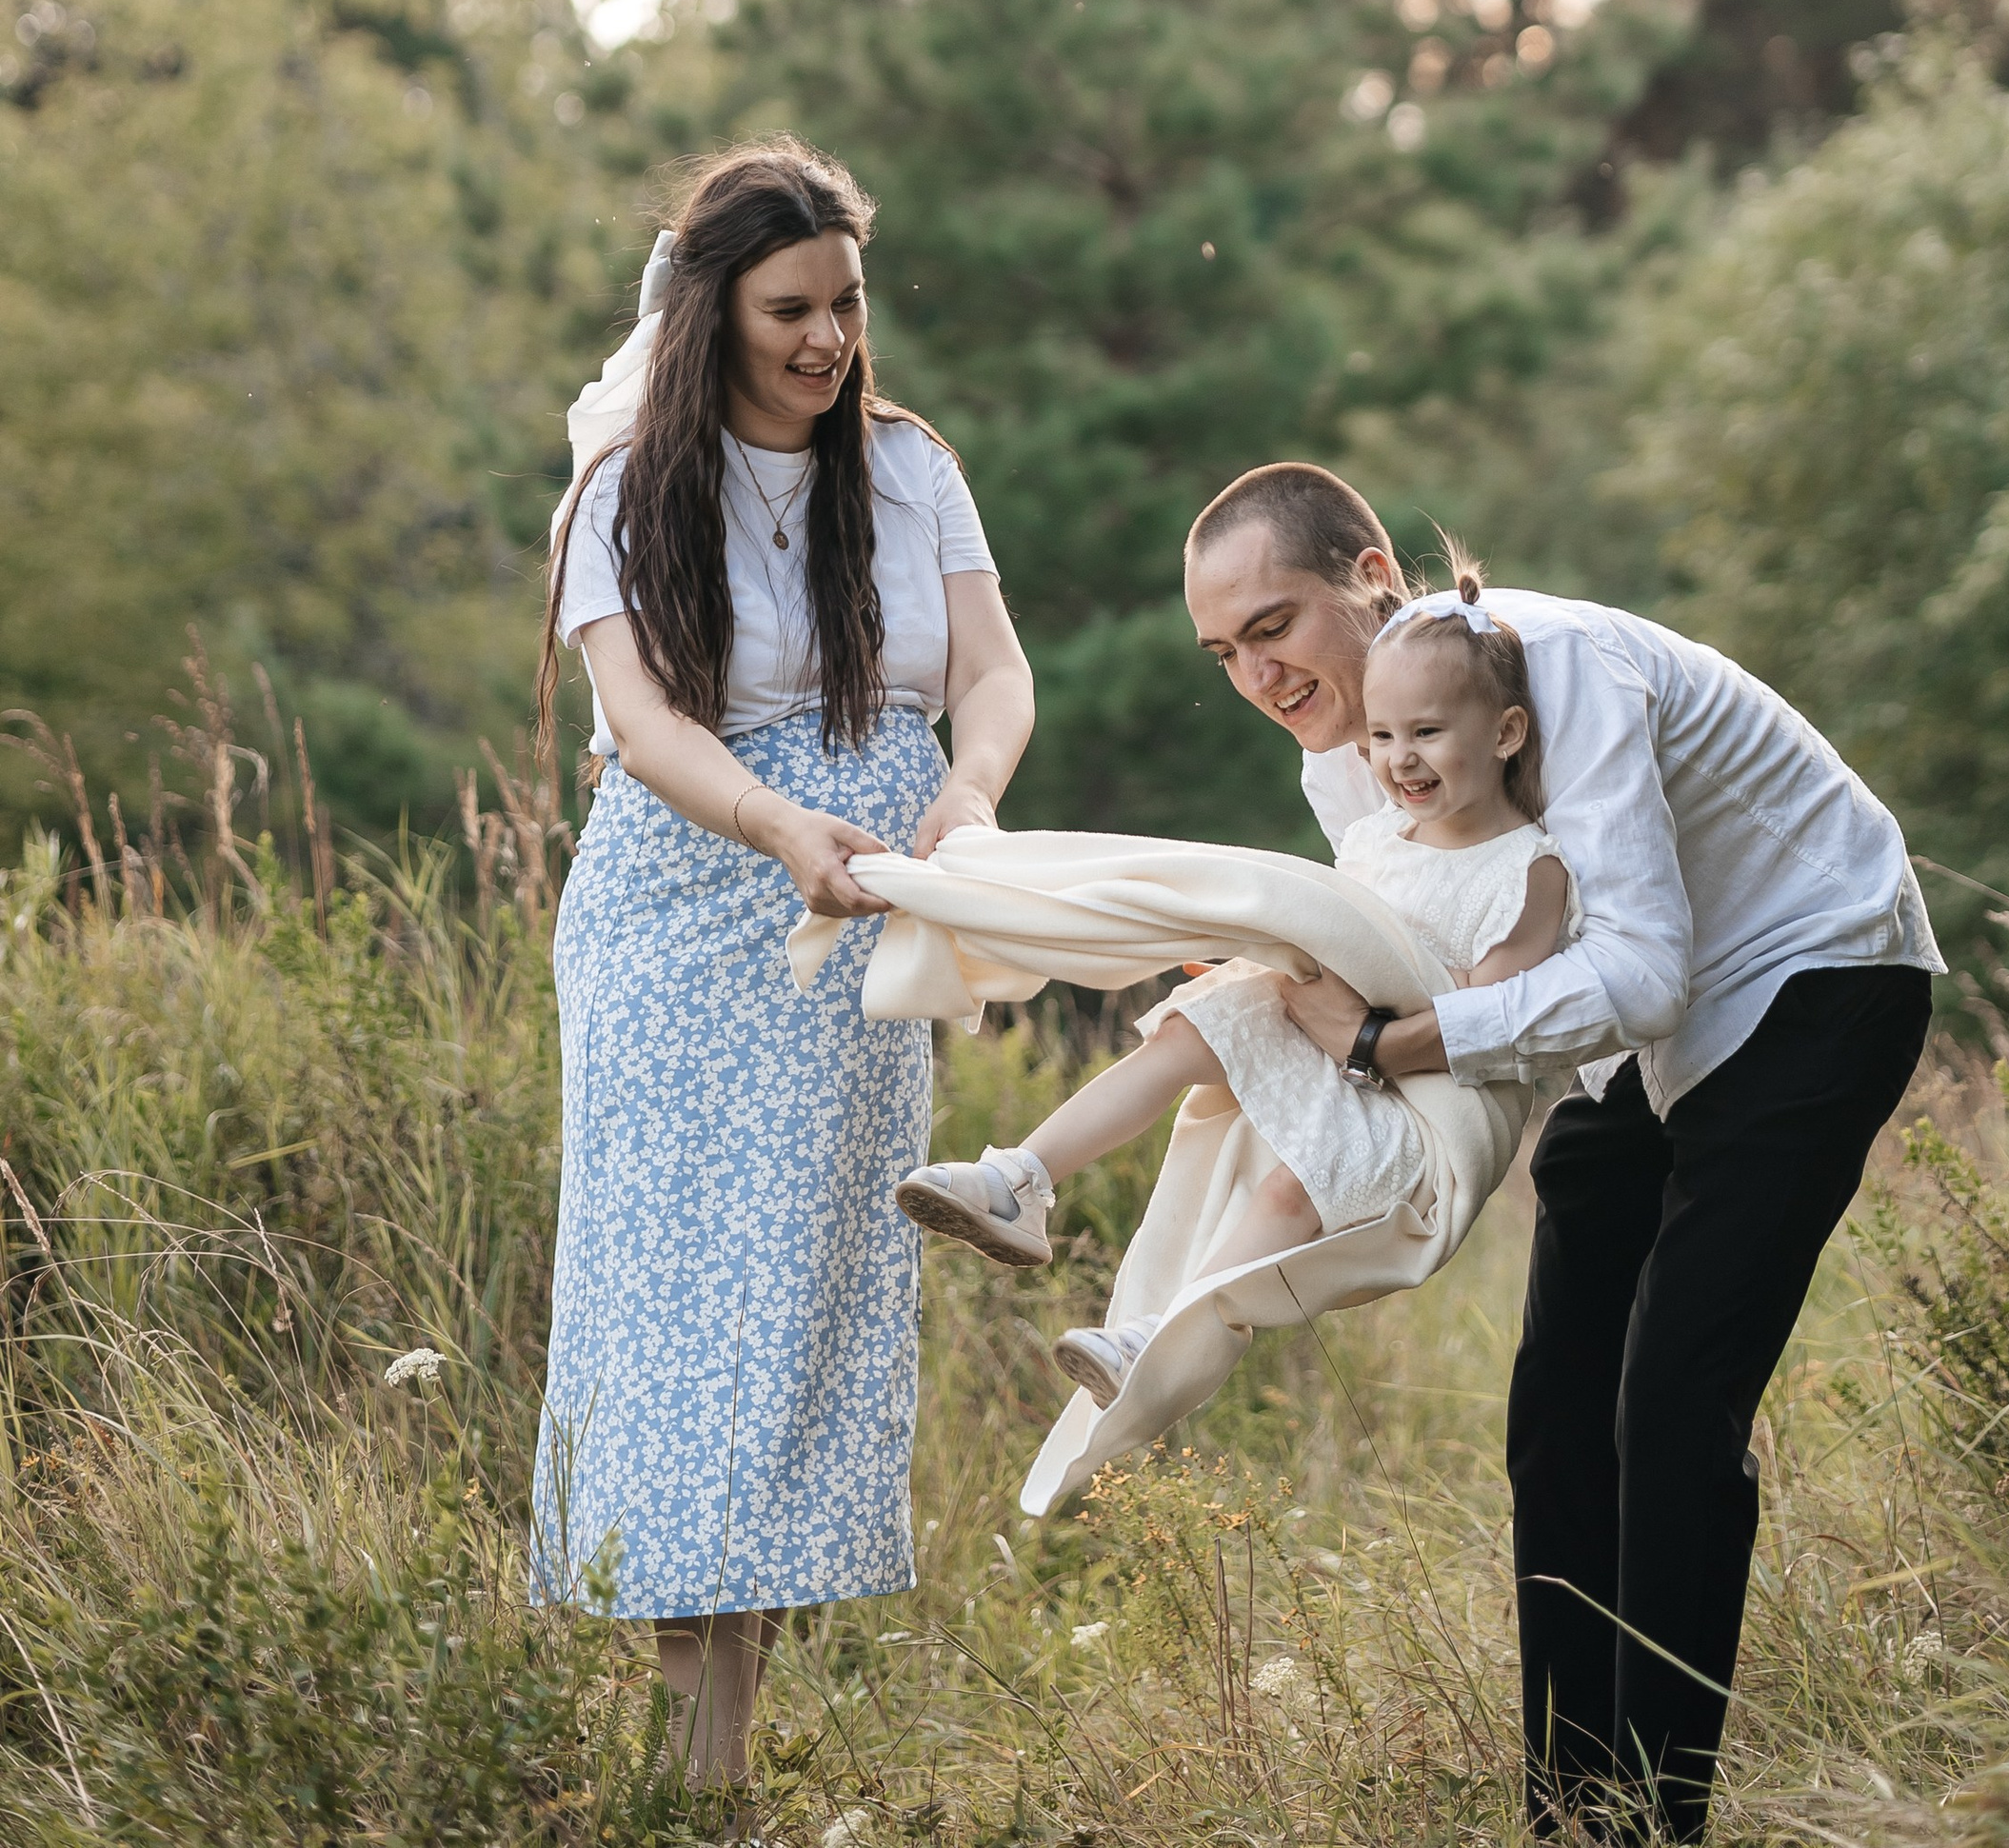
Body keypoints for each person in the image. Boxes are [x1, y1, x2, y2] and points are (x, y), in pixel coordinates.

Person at [1182, 462, 1940, 1846]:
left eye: (1273, 626)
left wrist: (1381, 1045)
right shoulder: (1339, 759)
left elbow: (1637, 972)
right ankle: (1569, 1815)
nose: (1257, 675)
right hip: (1620, 1039)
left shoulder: (1563, 665)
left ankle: (1655, 1821)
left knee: (1672, 1398)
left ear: (1371, 579)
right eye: (1223, 652)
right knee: (1557, 1411)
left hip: (1809, 977)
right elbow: (1435, 960)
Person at [527, 140, 1033, 1793]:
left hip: (862, 924)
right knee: (677, 1317)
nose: (826, 340)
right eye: (789, 310)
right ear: (711, 313)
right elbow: (642, 724)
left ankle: (713, 1765)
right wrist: (772, 823)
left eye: (846, 305)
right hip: (684, 920)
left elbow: (996, 673)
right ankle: (703, 1775)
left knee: (798, 1314)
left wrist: (968, 797)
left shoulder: (909, 469)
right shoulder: (625, 495)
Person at [895, 596, 1576, 1406]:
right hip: (1326, 1025)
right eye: (1385, 737)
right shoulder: (1379, 835)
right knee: (1187, 1031)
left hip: (1412, 1089)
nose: (1402, 760)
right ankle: (1020, 1180)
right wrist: (1261, 948)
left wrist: (1357, 1001)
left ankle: (1160, 1337)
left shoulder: (1529, 870)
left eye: (1427, 733)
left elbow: (1480, 1017)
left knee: (1292, 1188)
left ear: (1505, 733)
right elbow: (1330, 926)